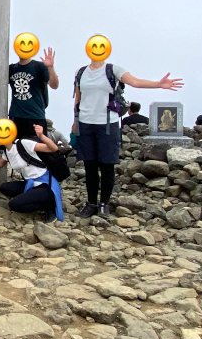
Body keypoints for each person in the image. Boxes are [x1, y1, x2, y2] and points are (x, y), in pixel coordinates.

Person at [73, 43, 183, 218]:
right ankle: (91, 203)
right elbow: (78, 97)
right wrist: (75, 121)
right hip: (86, 123)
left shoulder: (113, 69)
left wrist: (158, 84)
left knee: (107, 165)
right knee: (90, 166)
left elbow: (135, 82)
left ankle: (104, 204)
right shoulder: (81, 72)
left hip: (107, 124)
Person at [0, 121, 63, 222]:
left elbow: (53, 148)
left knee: (14, 205)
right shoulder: (7, 152)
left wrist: (41, 136)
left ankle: (49, 205)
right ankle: (32, 198)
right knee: (4, 188)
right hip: (30, 183)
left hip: (45, 184)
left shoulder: (23, 143)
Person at [9, 38, 59, 139]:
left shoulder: (39, 66)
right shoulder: (11, 69)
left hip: (36, 117)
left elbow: (54, 85)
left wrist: (50, 67)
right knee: (16, 151)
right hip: (16, 117)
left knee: (37, 151)